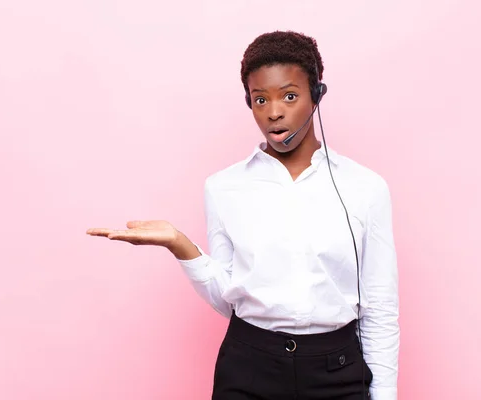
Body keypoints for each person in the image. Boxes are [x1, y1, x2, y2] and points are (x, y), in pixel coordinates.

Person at [87, 30, 399, 400]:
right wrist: (180, 244)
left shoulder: (365, 188)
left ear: (316, 95)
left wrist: (384, 395)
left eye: (290, 96)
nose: (274, 111)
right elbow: (227, 298)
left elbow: (380, 308)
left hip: (337, 370)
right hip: (250, 366)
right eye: (260, 99)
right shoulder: (223, 188)